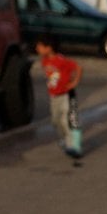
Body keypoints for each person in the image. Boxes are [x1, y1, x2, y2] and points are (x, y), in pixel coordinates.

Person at [33, 33, 83, 163]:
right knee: (56, 121)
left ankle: (74, 147)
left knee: (68, 120)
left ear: (49, 47)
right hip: (54, 96)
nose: (37, 49)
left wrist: (74, 82)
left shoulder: (61, 60)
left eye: (39, 46)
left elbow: (77, 67)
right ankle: (65, 140)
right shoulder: (45, 61)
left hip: (66, 95)